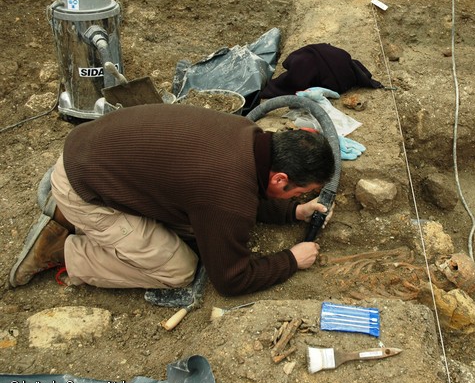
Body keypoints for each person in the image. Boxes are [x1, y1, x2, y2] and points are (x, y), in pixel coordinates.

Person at [9, 103, 335, 296]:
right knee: (179, 269)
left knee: (191, 225)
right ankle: (68, 250)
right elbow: (231, 278)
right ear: (280, 178)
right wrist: (291, 260)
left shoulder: (247, 133)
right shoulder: (227, 193)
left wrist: (294, 210)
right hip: (85, 187)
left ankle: (70, 215)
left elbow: (243, 192)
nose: (301, 196)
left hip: (91, 153)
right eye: (299, 192)